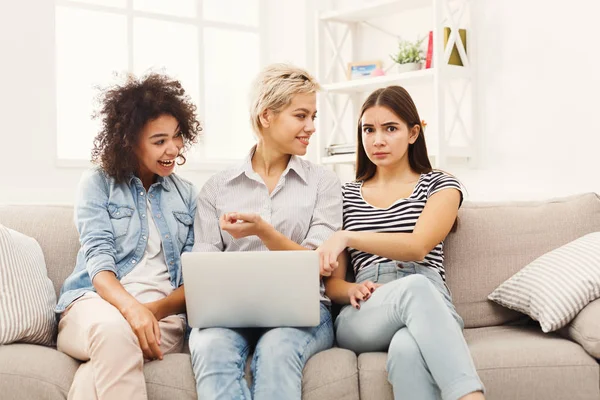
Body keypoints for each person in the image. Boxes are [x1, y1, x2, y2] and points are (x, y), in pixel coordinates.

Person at [187, 64, 342, 399]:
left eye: (313, 116)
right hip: (230, 314)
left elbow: (318, 262)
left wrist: (263, 231)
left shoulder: (323, 183)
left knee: (277, 350)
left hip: (302, 314)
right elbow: (204, 263)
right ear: (266, 116)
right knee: (210, 345)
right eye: (301, 116)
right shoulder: (217, 187)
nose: (311, 127)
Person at [320, 85, 485, 400]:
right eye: (369, 129)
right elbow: (333, 286)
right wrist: (353, 289)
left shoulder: (440, 184)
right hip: (367, 311)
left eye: (390, 128)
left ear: (413, 133)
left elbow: (417, 246)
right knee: (415, 291)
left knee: (408, 349)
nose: (377, 139)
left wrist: (346, 236)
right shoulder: (345, 195)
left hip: (429, 300)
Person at [56, 73, 202, 400]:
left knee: (97, 370)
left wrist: (152, 311)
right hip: (93, 307)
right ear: (130, 140)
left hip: (161, 318)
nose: (173, 149)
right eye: (159, 140)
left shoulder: (188, 196)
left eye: (177, 137)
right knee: (112, 331)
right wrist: (132, 310)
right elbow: (99, 264)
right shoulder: (98, 183)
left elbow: (195, 279)